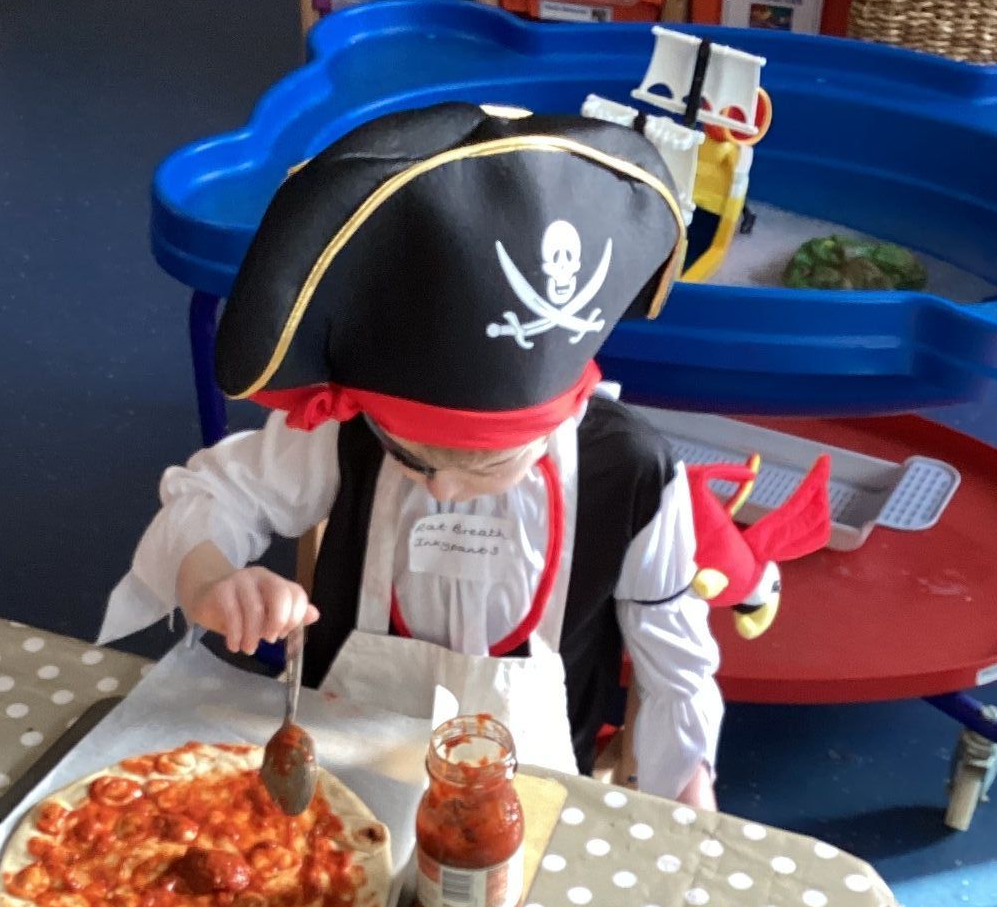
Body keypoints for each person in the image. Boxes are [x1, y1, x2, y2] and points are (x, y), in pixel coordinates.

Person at [103, 102, 726, 806]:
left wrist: (687, 794)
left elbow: (675, 666)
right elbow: (212, 495)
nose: (443, 491)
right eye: (413, 459)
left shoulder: (634, 474)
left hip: (532, 791)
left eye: (486, 465)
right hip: (334, 774)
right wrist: (212, 579)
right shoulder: (352, 432)